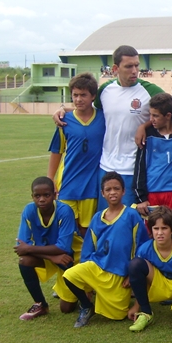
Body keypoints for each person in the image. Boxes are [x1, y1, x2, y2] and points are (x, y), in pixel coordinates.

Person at [53, 45, 163, 209]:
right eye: (128, 66)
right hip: (105, 167)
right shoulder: (105, 90)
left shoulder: (149, 90)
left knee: (126, 221)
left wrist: (144, 125)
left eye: (137, 65)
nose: (134, 70)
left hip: (132, 168)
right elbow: (91, 110)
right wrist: (64, 110)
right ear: (115, 68)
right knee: (103, 220)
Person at [63, 172, 148, 328]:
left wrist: (132, 273)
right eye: (108, 189)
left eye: (116, 188)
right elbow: (88, 249)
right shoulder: (97, 218)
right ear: (102, 194)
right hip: (97, 266)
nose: (112, 192)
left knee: (118, 316)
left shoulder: (131, 215)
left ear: (123, 191)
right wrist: (86, 284)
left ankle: (106, 299)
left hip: (119, 275)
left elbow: (141, 245)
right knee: (69, 275)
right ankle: (86, 306)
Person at [47, 73, 106, 237]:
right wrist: (50, 179)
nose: (79, 99)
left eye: (83, 95)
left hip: (91, 186)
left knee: (86, 230)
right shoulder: (64, 121)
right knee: (65, 230)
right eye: (75, 95)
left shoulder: (103, 118)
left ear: (93, 96)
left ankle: (86, 262)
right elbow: (56, 151)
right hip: (67, 184)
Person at [15, 177, 80, 320]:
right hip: (53, 256)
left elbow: (63, 247)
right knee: (24, 260)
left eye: (46, 195)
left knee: (66, 309)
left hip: (71, 258)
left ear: (55, 195)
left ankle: (85, 290)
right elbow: (21, 246)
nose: (42, 199)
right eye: (37, 196)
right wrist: (52, 257)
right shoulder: (29, 210)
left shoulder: (65, 211)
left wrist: (30, 249)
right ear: (32, 196)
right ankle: (40, 304)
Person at [132, 93, 172, 231]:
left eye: (155, 116)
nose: (151, 119)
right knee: (152, 233)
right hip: (152, 193)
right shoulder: (148, 135)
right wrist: (141, 198)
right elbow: (140, 167)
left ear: (168, 116)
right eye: (150, 115)